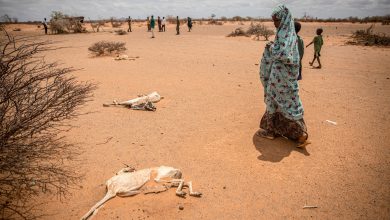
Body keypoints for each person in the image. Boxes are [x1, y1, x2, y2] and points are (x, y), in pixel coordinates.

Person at [257, 4, 308, 146]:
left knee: (279, 101)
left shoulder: (286, 35)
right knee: (287, 102)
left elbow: (284, 54)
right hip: (280, 76)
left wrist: (271, 47)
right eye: (273, 20)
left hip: (281, 77)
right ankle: (292, 133)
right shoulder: (286, 34)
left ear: (284, 20)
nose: (274, 23)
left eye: (276, 20)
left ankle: (281, 132)